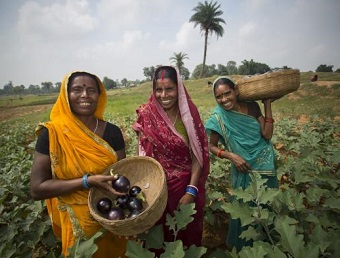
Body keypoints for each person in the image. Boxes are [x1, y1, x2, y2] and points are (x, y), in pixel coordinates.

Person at [30, 71, 128, 257]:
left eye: (91, 90)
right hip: (78, 228)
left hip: (111, 219)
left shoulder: (112, 132)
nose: (85, 95)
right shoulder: (52, 134)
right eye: (77, 89)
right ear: (66, 96)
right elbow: (37, 189)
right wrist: (86, 181)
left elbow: (121, 178)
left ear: (99, 96)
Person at [132, 65, 210, 250]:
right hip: (157, 189)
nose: (163, 95)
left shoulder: (188, 116)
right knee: (158, 238)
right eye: (158, 89)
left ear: (179, 89)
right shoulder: (146, 115)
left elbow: (197, 155)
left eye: (169, 89)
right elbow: (143, 155)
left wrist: (191, 191)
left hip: (184, 188)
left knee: (186, 235)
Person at [204, 76, 279, 252]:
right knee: (245, 211)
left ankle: (268, 249)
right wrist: (231, 156)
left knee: (266, 207)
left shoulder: (252, 107)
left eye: (227, 93)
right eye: (219, 97)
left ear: (236, 91)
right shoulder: (218, 118)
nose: (224, 100)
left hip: (264, 164)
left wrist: (267, 104)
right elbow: (210, 146)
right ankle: (246, 251)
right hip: (242, 168)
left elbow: (267, 135)